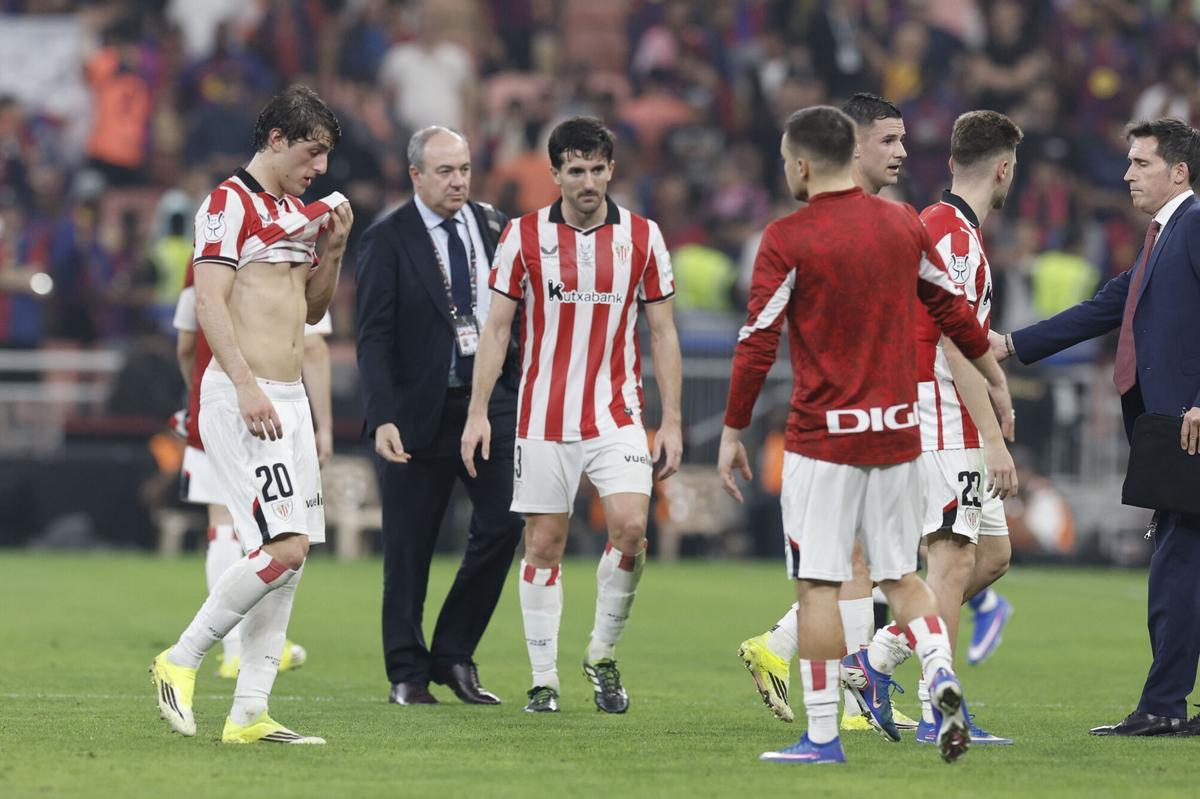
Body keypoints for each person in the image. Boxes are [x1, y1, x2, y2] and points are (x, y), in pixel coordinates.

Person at [718, 105, 1013, 764]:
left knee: (821, 584)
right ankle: (939, 675)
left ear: (799, 164)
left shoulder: (788, 237)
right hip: (899, 435)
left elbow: (757, 340)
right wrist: (995, 375)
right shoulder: (904, 225)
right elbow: (955, 315)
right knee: (904, 579)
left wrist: (734, 427)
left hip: (824, 437)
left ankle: (822, 736)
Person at [149, 85, 352, 745]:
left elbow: (312, 310)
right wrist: (244, 385)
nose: (319, 168)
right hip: (245, 396)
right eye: (311, 151)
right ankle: (180, 657)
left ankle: (249, 713)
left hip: (287, 397)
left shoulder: (296, 212)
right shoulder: (226, 204)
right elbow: (210, 301)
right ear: (275, 139)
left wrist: (338, 249)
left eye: (325, 156)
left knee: (295, 556)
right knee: (282, 545)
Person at [460, 116, 683, 714]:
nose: (588, 181)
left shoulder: (643, 237)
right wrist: (479, 412)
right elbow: (498, 328)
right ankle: (544, 679)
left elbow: (662, 332)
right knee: (545, 543)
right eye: (575, 170)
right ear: (554, 173)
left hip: (617, 412)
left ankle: (602, 654)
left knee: (632, 529)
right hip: (541, 416)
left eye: (597, 168)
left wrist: (676, 422)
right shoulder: (523, 237)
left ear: (612, 168)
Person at [990, 117, 1200, 738]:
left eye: (1140, 163)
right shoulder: (1164, 236)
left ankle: (1163, 705)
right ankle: (1166, 703)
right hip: (1169, 425)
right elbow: (1107, 306)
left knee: (1175, 564)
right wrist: (1009, 344)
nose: (1127, 174)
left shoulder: (1193, 225)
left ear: (1178, 171)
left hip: (1187, 424)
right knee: (1180, 560)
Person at [737, 93, 920, 732]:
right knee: (874, 564)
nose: (901, 153)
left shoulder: (895, 220)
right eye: (890, 141)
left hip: (885, 414)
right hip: (865, 420)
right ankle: (843, 705)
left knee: (861, 563)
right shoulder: (873, 225)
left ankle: (792, 659)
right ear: (852, 145)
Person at [844, 110, 1023, 748]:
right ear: (1005, 169)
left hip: (950, 407)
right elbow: (951, 344)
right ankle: (935, 711)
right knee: (950, 559)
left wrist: (998, 393)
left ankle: (875, 660)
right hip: (939, 411)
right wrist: (994, 437)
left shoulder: (947, 227)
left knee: (992, 555)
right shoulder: (952, 237)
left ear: (952, 161)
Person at [355, 126, 523, 706]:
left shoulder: (495, 226)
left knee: (505, 522)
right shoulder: (388, 239)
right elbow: (372, 337)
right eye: (446, 171)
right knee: (409, 547)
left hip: (488, 403)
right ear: (416, 176)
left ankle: (453, 653)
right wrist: (381, 417)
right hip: (416, 410)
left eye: (465, 169)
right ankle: (406, 670)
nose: (458, 181)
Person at [172, 258, 335, 679]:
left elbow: (187, 343)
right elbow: (313, 344)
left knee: (221, 525)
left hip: (209, 406)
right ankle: (232, 649)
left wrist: (193, 403)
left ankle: (235, 655)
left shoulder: (202, 259)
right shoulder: (288, 251)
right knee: (278, 536)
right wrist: (324, 424)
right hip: (267, 405)